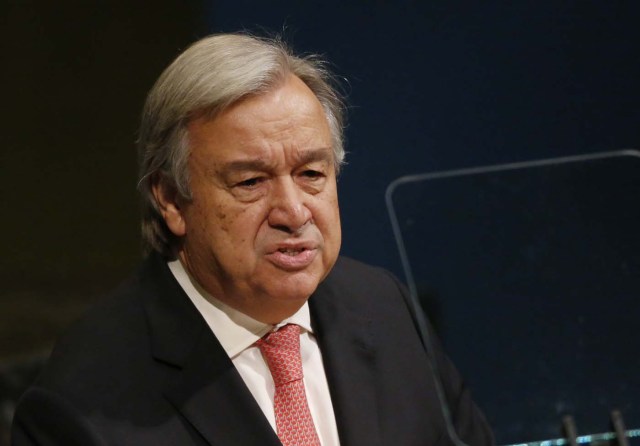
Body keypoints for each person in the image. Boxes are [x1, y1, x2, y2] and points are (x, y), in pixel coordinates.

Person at [11, 33, 493, 445]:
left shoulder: (387, 310)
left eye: (310, 173)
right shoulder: (82, 402)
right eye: (250, 182)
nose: (293, 211)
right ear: (172, 201)